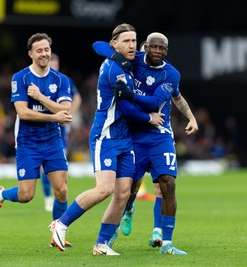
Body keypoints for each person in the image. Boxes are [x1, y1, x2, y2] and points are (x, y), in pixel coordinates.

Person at [49, 23, 164, 256]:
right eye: (126, 41)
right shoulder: (115, 70)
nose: (131, 45)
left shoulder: (126, 60)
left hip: (125, 138)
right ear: (115, 44)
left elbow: (98, 45)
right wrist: (149, 118)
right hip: (107, 135)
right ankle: (60, 224)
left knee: (123, 193)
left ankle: (101, 244)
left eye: (134, 41)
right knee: (104, 189)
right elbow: (128, 107)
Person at [93, 32, 199, 255]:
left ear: (167, 51)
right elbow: (99, 46)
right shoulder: (133, 59)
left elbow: (154, 102)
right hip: (134, 135)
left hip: (160, 134)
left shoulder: (171, 74)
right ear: (146, 47)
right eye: (154, 47)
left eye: (162, 48)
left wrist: (128, 94)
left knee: (167, 183)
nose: (158, 51)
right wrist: (114, 51)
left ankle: (166, 242)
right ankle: (124, 214)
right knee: (128, 188)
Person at [0, 33, 73, 245]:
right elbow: (23, 113)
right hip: (28, 142)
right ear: (30, 54)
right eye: (39, 50)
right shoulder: (20, 78)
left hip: (53, 140)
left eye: (46, 50)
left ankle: (57, 234)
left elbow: (66, 110)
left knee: (61, 189)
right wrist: (54, 115)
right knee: (26, 195)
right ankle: (1, 195)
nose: (44, 54)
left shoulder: (61, 80)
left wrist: (41, 98)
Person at [41, 53, 82, 213]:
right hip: (44, 126)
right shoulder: (40, 80)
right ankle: (47, 197)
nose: (52, 64)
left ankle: (59, 196)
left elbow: (77, 97)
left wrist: (69, 113)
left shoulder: (64, 80)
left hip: (61, 128)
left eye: (54, 62)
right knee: (45, 166)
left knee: (60, 166)